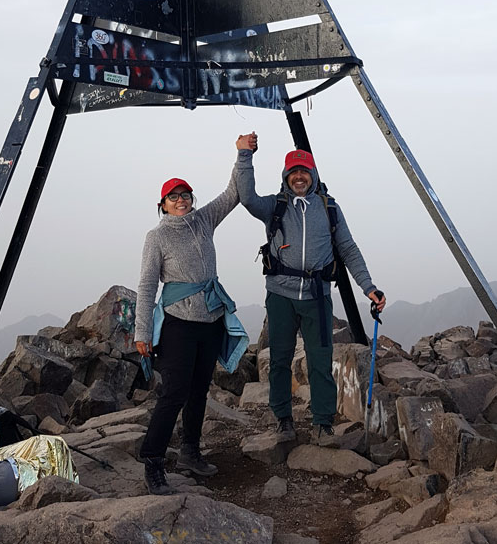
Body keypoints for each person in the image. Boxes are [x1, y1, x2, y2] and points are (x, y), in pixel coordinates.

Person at [235, 133, 386, 445]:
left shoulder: (329, 208)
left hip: (317, 296)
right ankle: (283, 419)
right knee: (279, 358)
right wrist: (244, 156)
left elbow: (348, 248)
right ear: (286, 177)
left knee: (320, 358)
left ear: (313, 175)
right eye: (293, 172)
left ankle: (322, 422)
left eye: (304, 171)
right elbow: (247, 197)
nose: (299, 177)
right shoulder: (274, 207)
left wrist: (368, 287)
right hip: (280, 295)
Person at [134, 166, 248, 496]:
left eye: (185, 195)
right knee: (174, 392)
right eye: (174, 197)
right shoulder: (157, 237)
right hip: (177, 325)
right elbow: (146, 285)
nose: (181, 200)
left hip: (210, 321)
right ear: (163, 205)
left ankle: (190, 452)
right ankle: (153, 462)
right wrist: (142, 331)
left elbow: (233, 194)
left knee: (199, 390)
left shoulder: (204, 220)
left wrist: (243, 155)